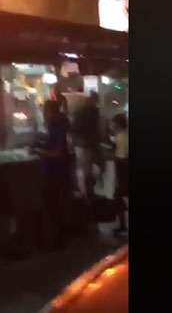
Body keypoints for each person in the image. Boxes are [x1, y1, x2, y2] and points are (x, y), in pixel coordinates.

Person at [34, 99, 72, 250]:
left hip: (55, 173)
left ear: (49, 111)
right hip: (63, 172)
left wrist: (40, 151)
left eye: (44, 110)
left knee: (52, 207)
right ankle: (58, 240)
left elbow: (58, 153)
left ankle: (53, 242)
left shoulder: (56, 126)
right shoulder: (62, 124)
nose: (43, 114)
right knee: (58, 206)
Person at [73, 92, 104, 202]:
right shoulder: (93, 111)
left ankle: (85, 194)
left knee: (84, 170)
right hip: (89, 144)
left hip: (81, 144)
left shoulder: (79, 111)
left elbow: (74, 127)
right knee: (90, 170)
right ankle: (89, 194)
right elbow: (96, 129)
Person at [111, 112, 129, 237]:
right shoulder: (123, 136)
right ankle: (122, 225)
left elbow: (122, 159)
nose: (112, 126)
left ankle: (122, 226)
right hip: (124, 174)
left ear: (117, 124)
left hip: (124, 174)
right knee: (120, 197)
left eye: (113, 123)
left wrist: (111, 156)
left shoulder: (122, 137)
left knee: (118, 197)